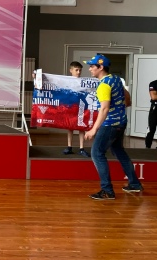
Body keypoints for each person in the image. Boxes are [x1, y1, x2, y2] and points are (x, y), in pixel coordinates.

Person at [84, 54, 143, 200]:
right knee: (118, 151)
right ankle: (134, 184)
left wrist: (94, 129)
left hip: (110, 124)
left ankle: (107, 191)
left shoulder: (103, 85)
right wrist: (126, 103)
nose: (90, 69)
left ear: (100, 67)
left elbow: (104, 109)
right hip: (121, 122)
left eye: (92, 66)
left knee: (97, 153)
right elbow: (126, 95)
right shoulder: (115, 79)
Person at [63, 61, 90, 157]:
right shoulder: (66, 81)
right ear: (71, 70)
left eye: (80, 70)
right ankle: (69, 147)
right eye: (76, 70)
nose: (78, 72)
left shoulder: (84, 82)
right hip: (70, 106)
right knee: (70, 127)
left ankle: (81, 148)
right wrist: (37, 77)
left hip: (81, 106)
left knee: (81, 127)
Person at [144, 79, 157, 148]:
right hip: (155, 109)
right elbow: (154, 97)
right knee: (151, 128)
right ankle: (147, 147)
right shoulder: (153, 83)